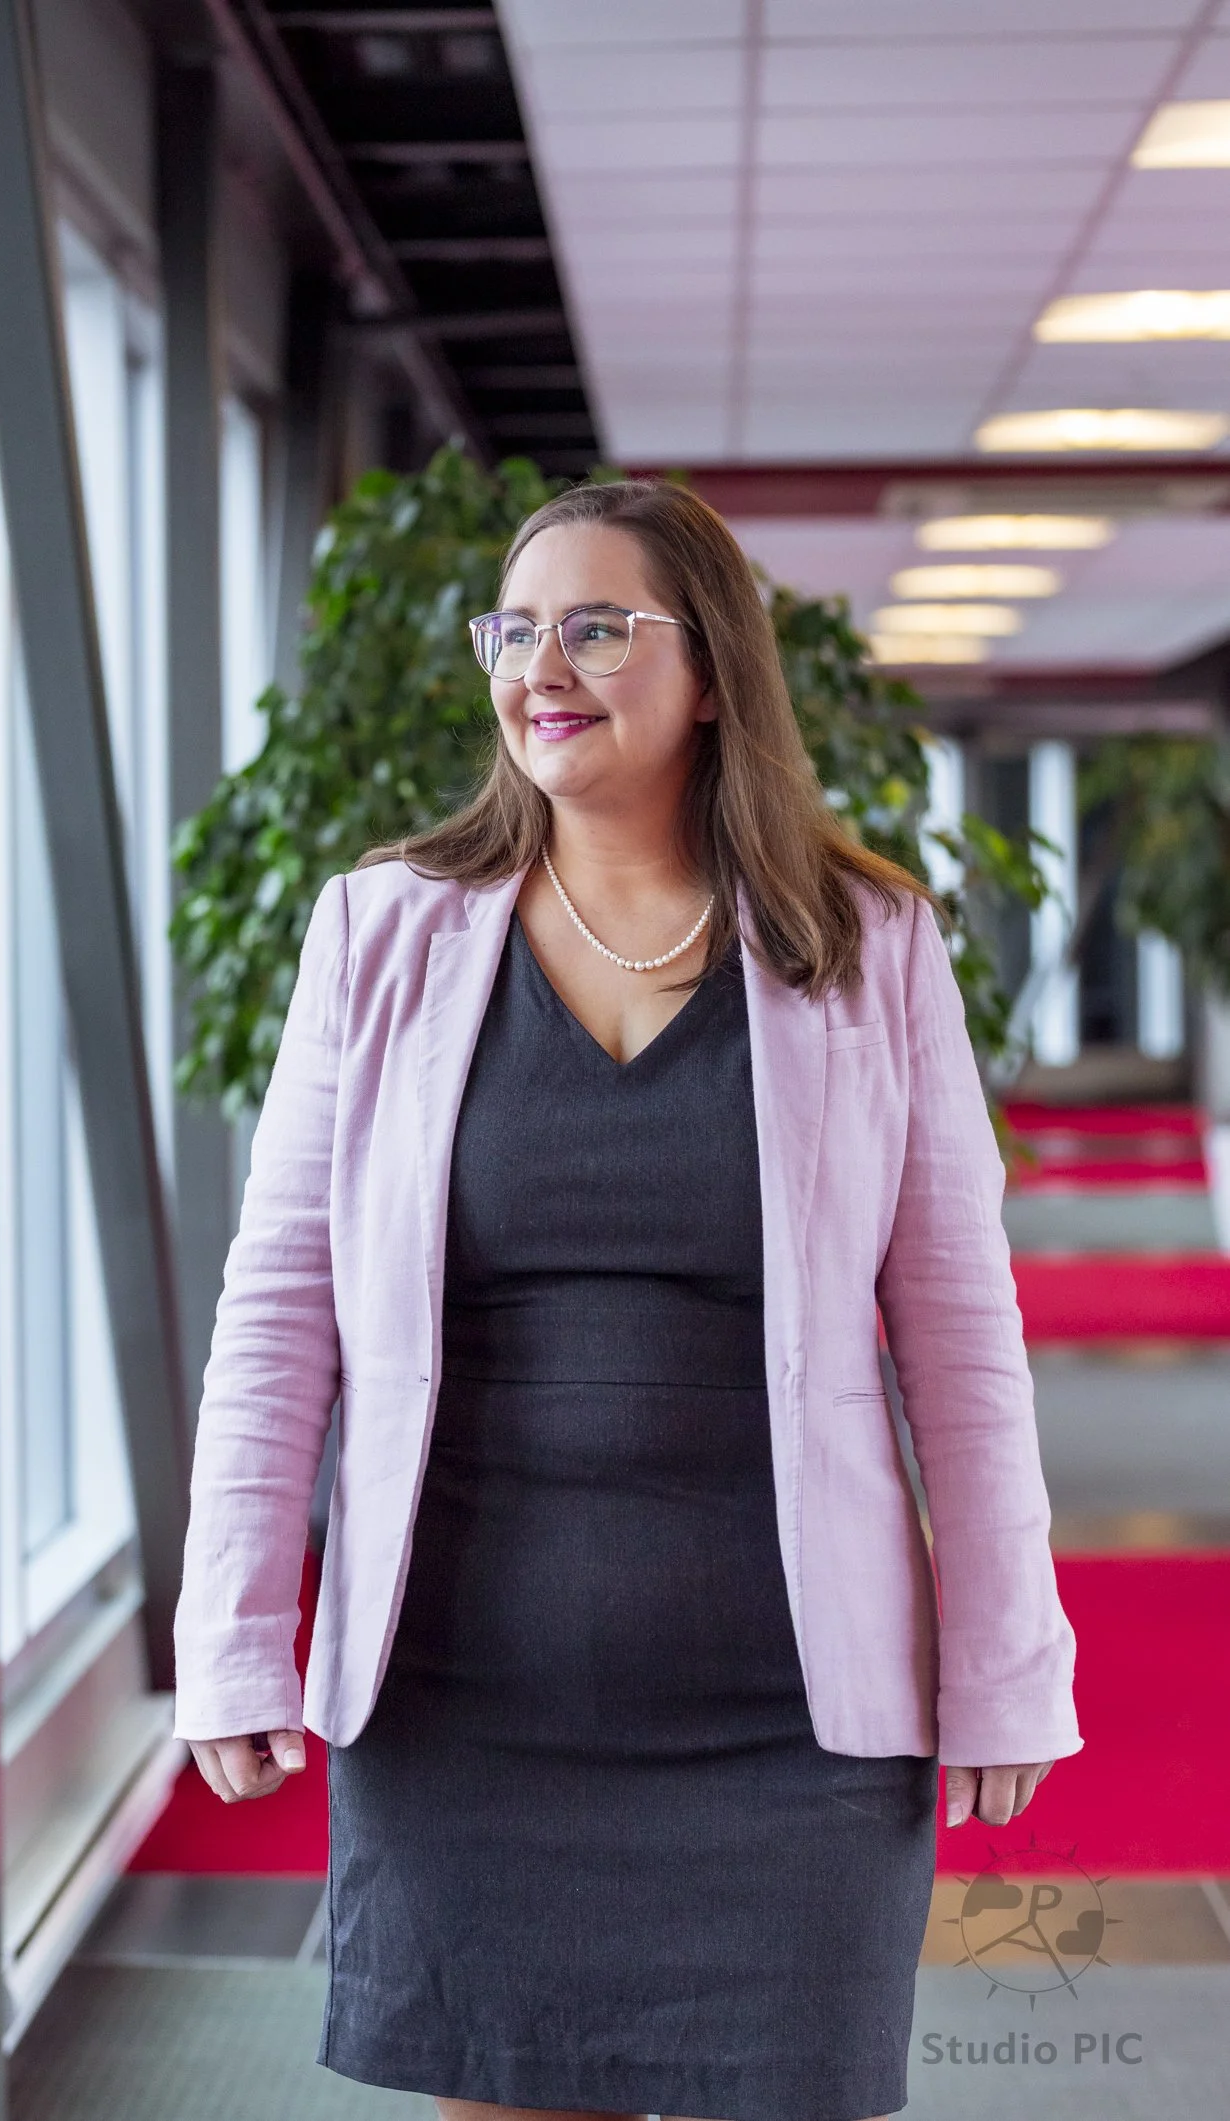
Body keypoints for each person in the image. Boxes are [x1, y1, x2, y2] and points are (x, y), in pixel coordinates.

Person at [171, 477, 1082, 2121]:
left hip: (792, 1719)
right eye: (516, 628)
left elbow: (962, 1339)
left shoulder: (865, 947)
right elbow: (276, 1314)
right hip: (463, 1702)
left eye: (599, 625)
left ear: (713, 670)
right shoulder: (378, 935)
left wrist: (1006, 1661)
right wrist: (234, 1629)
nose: (545, 663)